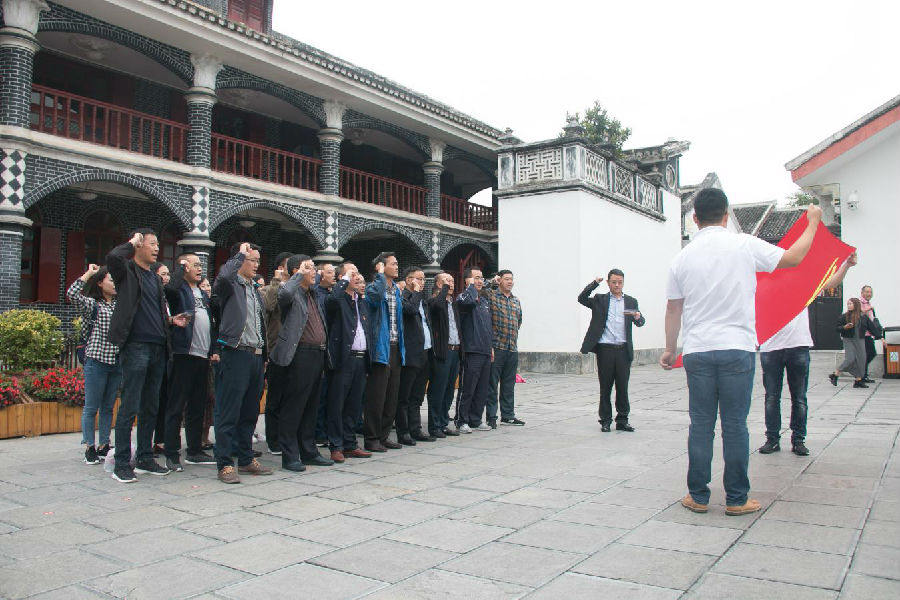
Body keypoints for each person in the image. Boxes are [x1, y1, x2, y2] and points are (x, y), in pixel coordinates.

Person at [660, 189, 822, 516]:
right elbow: (794, 257)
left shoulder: (682, 258)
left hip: (698, 350)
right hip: (737, 348)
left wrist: (669, 349)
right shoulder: (744, 244)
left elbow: (673, 309)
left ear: (695, 219)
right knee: (735, 425)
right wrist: (814, 222)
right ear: (726, 215)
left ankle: (698, 496)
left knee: (701, 424)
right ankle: (736, 498)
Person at [106, 230, 188, 483]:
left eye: (157, 244)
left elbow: (155, 311)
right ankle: (122, 463)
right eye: (151, 244)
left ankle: (144, 457)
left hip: (158, 347)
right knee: (130, 405)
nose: (156, 248)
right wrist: (131, 243)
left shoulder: (154, 278)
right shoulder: (127, 271)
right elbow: (112, 258)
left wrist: (171, 321)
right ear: (139, 245)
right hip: (136, 346)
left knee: (151, 407)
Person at [758, 253, 857, 456]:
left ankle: (798, 440)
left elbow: (831, 282)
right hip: (771, 348)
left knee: (799, 398)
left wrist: (846, 265)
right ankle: (772, 439)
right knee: (771, 398)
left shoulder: (802, 284)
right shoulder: (764, 284)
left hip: (798, 346)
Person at [212, 242, 273, 483]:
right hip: (235, 353)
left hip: (255, 356)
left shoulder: (254, 290)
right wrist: (239, 254)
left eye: (258, 260)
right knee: (229, 411)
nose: (256, 265)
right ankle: (225, 463)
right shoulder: (230, 285)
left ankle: (246, 458)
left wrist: (264, 356)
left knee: (250, 411)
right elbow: (223, 276)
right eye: (252, 260)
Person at [271, 254, 332, 471]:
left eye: (314, 268)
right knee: (294, 406)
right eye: (309, 267)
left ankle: (309, 451)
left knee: (311, 406)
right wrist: (297, 276)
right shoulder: (290, 291)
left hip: (318, 354)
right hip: (300, 355)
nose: (314, 271)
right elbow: (284, 294)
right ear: (296, 271)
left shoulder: (312, 293)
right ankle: (290, 455)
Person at [162, 254, 219, 471]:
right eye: (194, 265)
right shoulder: (179, 291)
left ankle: (194, 450)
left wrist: (213, 349)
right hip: (183, 354)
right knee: (177, 406)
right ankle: (172, 452)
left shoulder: (202, 294)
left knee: (198, 405)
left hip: (202, 356)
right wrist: (179, 269)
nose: (199, 268)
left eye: (200, 265)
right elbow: (169, 289)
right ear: (184, 267)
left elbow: (210, 322)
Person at [578, 269, 646, 432]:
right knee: (605, 387)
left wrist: (638, 317)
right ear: (608, 283)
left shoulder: (629, 302)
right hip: (605, 350)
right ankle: (605, 420)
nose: (617, 285)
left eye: (620, 282)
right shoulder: (600, 300)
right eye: (614, 282)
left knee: (622, 387)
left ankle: (622, 420)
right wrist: (594, 283)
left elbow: (640, 321)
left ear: (623, 283)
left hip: (623, 350)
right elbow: (581, 298)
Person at [67, 264, 120, 465]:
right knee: (91, 407)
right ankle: (89, 446)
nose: (115, 284)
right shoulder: (92, 305)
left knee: (108, 407)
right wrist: (89, 273)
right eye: (111, 280)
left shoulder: (119, 305)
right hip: (96, 361)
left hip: (116, 361)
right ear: (100, 283)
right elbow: (72, 294)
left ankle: (104, 444)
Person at [324, 264, 373, 462]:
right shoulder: (338, 299)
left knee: (354, 404)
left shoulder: (361, 301)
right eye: (351, 273)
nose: (356, 276)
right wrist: (344, 280)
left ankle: (350, 444)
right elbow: (331, 300)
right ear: (341, 278)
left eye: (357, 272)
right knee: (337, 404)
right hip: (343, 359)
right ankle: (336, 445)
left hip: (361, 358)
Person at [363, 252, 406, 452]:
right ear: (381, 266)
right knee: (377, 397)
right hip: (381, 348)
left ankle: (384, 435)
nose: (397, 267)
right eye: (393, 264)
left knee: (391, 397)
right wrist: (380, 276)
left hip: (396, 347)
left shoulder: (396, 290)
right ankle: (371, 438)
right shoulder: (373, 287)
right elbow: (374, 299)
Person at [395, 266, 436, 444]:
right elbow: (410, 310)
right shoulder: (403, 297)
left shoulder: (422, 301)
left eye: (423, 279)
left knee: (418, 395)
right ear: (409, 280)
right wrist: (417, 292)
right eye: (419, 279)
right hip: (410, 353)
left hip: (425, 352)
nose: (422, 282)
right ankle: (403, 432)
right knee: (405, 395)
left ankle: (416, 428)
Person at [260, 251, 292, 455]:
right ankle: (273, 439)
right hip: (276, 349)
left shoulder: (299, 288)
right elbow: (269, 305)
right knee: (275, 397)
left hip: (295, 350)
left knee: (291, 396)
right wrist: (276, 282)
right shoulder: (269, 288)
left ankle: (287, 435)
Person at [455, 267, 493, 433]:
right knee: (468, 388)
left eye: (481, 278)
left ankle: (476, 419)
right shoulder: (464, 297)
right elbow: (468, 303)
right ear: (468, 280)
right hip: (471, 350)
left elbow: (488, 327)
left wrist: (491, 347)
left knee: (482, 389)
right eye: (476, 278)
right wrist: (470, 288)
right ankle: (462, 420)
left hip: (485, 350)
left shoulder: (484, 301)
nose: (480, 281)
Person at [485, 270, 524, 428]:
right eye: (506, 279)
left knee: (509, 385)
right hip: (497, 347)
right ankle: (491, 416)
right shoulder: (492, 296)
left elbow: (518, 321)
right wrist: (491, 281)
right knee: (492, 385)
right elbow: (481, 290)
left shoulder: (516, 300)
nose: (510, 282)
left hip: (512, 347)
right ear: (500, 280)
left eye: (511, 279)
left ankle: (508, 415)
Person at [426, 273, 462, 438]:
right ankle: (434, 426)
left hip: (455, 350)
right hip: (442, 351)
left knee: (449, 390)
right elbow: (437, 306)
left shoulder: (453, 304)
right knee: (438, 389)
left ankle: (443, 422)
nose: (451, 283)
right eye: (447, 281)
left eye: (452, 281)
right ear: (439, 284)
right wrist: (444, 289)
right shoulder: (433, 301)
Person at [831, 297, 881, 388]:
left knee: (861, 360)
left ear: (856, 305)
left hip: (860, 339)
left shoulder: (863, 316)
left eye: (851, 304)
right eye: (848, 304)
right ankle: (836, 373)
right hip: (848, 339)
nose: (849, 306)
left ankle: (858, 381)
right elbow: (837, 328)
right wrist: (844, 327)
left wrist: (881, 337)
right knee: (850, 359)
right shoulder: (844, 316)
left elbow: (872, 327)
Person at [314, 262, 336, 447]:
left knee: (330, 395)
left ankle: (327, 431)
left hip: (333, 350)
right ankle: (318, 432)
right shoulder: (316, 294)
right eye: (329, 272)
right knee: (320, 395)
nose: (333, 275)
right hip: (320, 350)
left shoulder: (331, 294)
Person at [151, 261, 171, 456]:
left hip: (168, 353)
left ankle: (161, 439)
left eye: (167, 274)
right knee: (151, 400)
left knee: (165, 398)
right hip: (153, 352)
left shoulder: (167, 297)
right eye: (162, 274)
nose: (166, 278)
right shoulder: (151, 297)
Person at [199, 277, 215, 450]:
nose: (207, 288)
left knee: (211, 399)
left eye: (208, 285)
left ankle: (205, 435)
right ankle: (197, 438)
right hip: (199, 356)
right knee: (201, 399)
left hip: (212, 357)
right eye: (203, 286)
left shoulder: (211, 305)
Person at [860, 285, 878, 383]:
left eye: (870, 292)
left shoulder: (868, 303)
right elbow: (858, 313)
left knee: (870, 354)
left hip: (869, 333)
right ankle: (861, 376)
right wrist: (868, 309)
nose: (869, 294)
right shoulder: (860, 302)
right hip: (863, 334)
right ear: (862, 293)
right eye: (867, 292)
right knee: (869, 354)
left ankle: (863, 375)